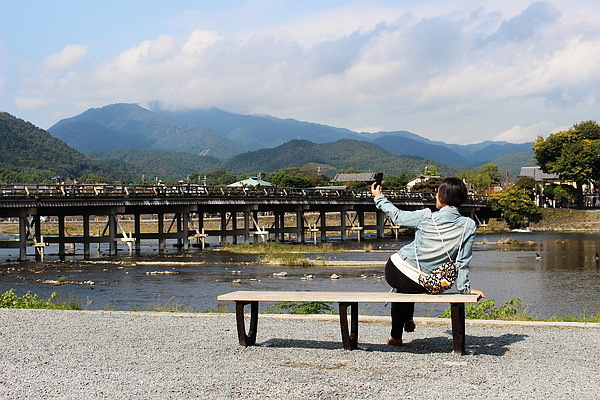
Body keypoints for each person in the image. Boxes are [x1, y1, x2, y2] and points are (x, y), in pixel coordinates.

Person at [371, 177, 486, 347]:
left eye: (437, 191)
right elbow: (462, 262)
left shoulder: (426, 216)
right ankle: (406, 321)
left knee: (402, 290)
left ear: (442, 195)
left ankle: (397, 334)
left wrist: (378, 196)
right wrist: (465, 289)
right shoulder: (468, 226)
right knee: (410, 286)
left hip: (397, 270)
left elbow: (397, 216)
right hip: (429, 281)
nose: (435, 194)